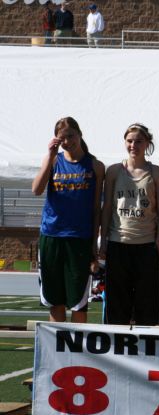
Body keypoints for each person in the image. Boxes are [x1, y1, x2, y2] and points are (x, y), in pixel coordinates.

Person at [32, 117, 105, 323]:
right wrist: (50, 155)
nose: (67, 141)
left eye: (71, 136)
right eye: (62, 138)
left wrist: (95, 243)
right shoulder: (54, 161)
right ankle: (58, 350)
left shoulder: (95, 166)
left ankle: (77, 351)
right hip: (52, 235)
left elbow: (96, 209)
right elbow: (36, 189)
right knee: (55, 300)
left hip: (79, 238)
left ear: (80, 134)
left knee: (78, 302)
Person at [99, 124, 159, 326]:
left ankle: (146, 352)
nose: (133, 145)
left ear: (147, 143)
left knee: (146, 304)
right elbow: (107, 208)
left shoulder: (156, 173)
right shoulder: (113, 171)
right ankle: (116, 349)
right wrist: (103, 242)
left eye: (138, 141)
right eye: (129, 140)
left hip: (146, 245)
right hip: (118, 242)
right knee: (117, 304)